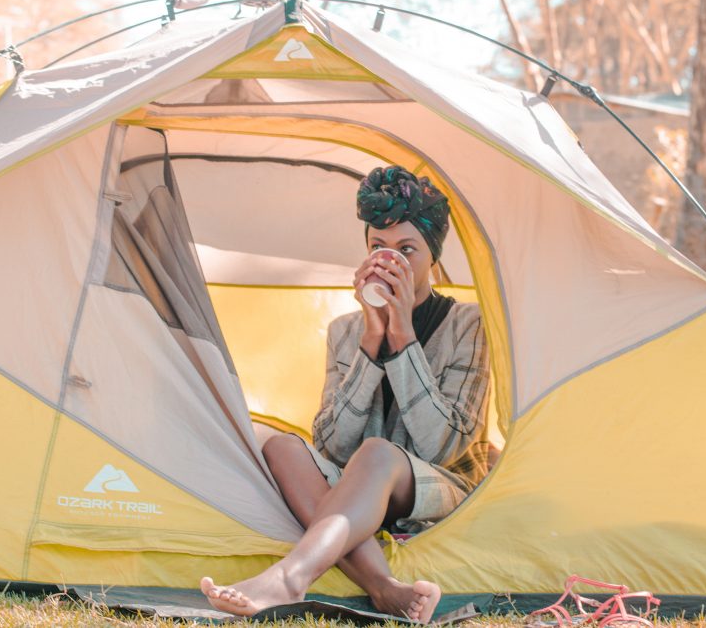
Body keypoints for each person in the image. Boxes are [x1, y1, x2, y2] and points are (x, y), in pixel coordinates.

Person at [201, 166, 491, 623]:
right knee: (281, 445)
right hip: (360, 482)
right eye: (378, 248)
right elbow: (333, 446)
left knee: (378, 453)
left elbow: (445, 448)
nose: (389, 261)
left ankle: (289, 578)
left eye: (406, 249)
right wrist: (370, 348)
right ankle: (384, 587)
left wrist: (402, 339)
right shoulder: (346, 331)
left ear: (432, 256)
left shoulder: (468, 326)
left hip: (439, 484)